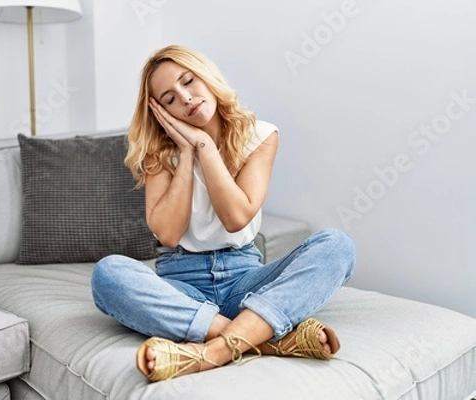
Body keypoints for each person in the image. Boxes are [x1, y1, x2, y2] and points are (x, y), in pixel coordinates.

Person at [91, 44, 356, 382]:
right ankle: (263, 339)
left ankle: (212, 351)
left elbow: (236, 217)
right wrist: (186, 154)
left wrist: (204, 146)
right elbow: (168, 235)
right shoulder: (159, 154)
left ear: (207, 76)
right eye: (170, 99)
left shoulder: (260, 136)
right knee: (108, 275)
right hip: (182, 285)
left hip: (245, 279)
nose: (185, 98)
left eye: (189, 81)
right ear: (161, 113)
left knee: (338, 245)